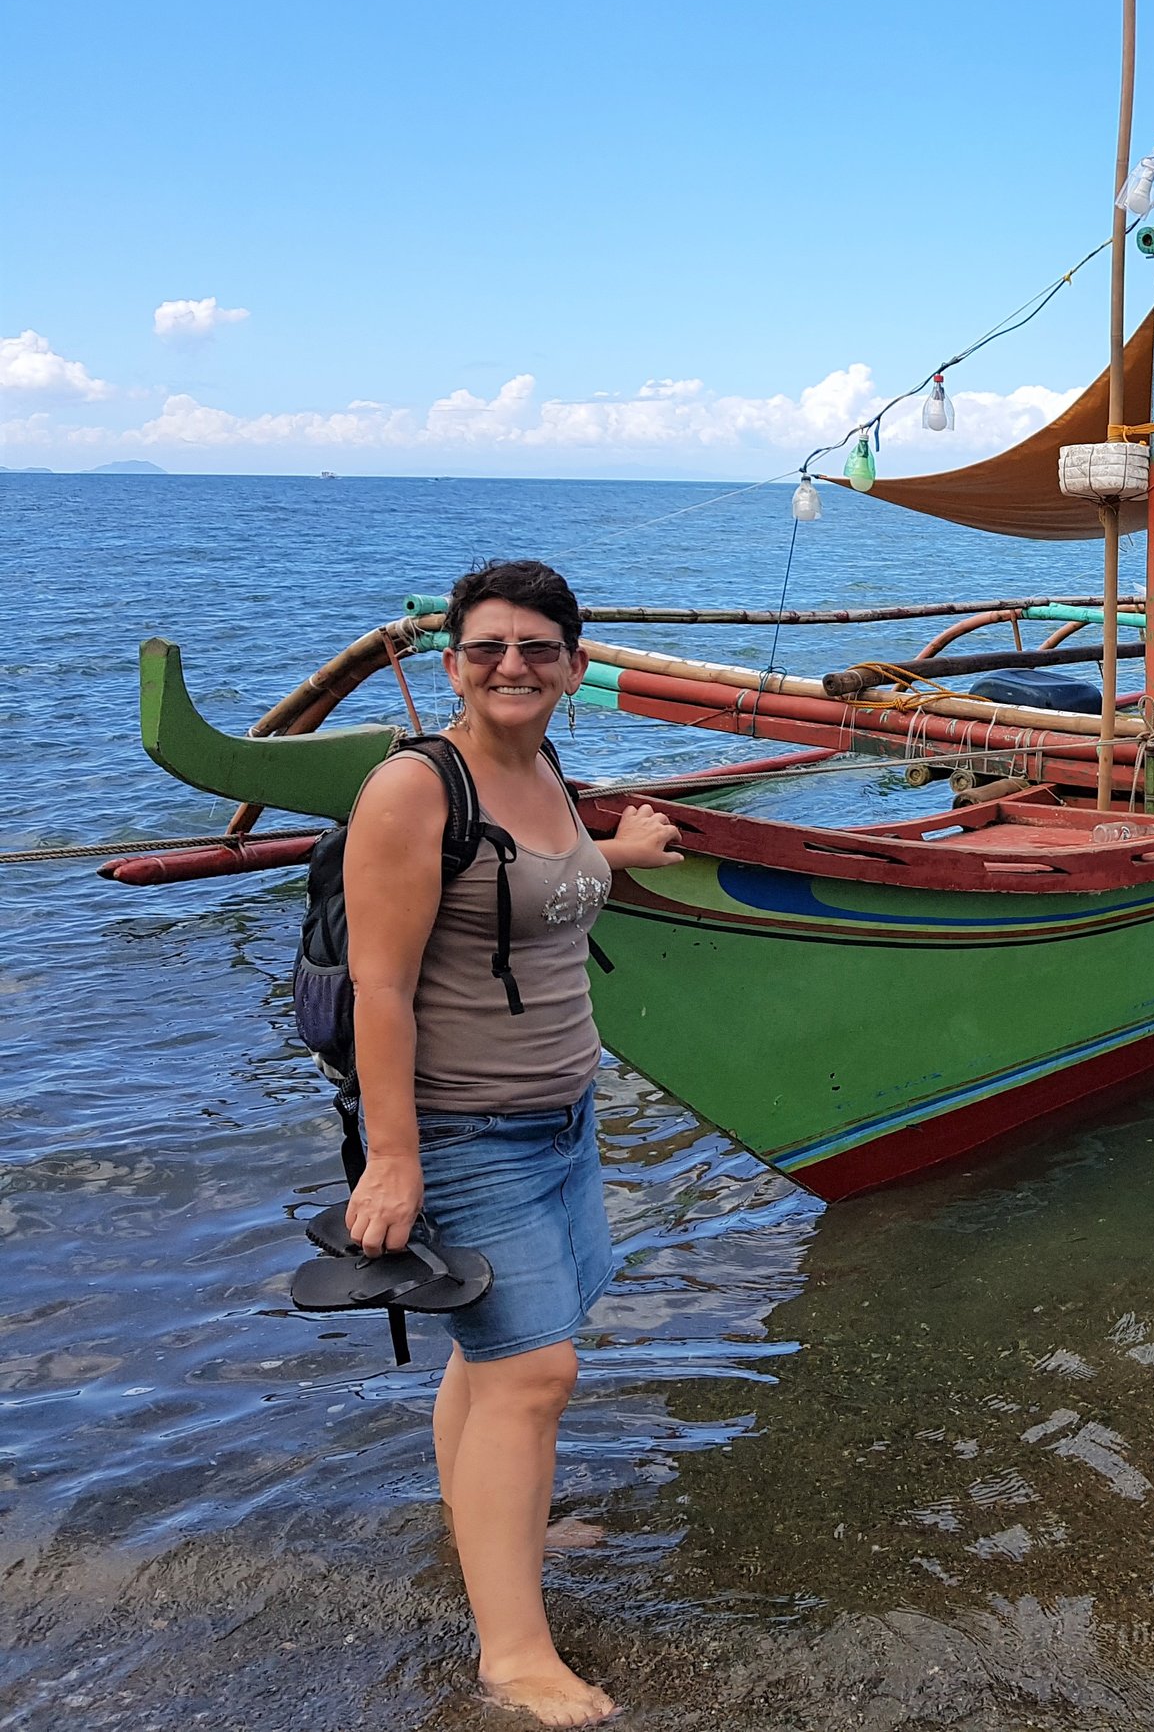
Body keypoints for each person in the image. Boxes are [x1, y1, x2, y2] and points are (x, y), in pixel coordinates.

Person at [341, 559, 681, 1727]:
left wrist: (618, 855)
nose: (513, 667)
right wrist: (395, 1159)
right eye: (487, 648)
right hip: (461, 1127)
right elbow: (379, 988)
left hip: (561, 1118)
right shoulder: (413, 790)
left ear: (574, 670)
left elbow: (547, 886)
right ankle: (514, 1655)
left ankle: (487, 1522)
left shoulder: (543, 770)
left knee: (487, 1361)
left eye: (538, 649)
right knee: (536, 1372)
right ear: (452, 667)